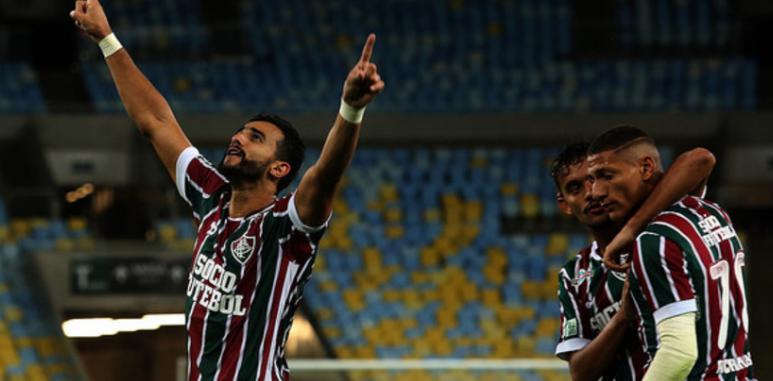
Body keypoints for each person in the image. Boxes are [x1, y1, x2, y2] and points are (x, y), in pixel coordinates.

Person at [69, 0, 385, 379]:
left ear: (279, 168)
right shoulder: (210, 196)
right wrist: (106, 39)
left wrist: (350, 109)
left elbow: (325, 177)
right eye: (240, 131)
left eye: (255, 138)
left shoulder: (286, 227)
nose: (238, 138)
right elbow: (155, 120)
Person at [588, 126, 754, 380]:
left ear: (645, 168)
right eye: (593, 180)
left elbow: (678, 354)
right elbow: (700, 160)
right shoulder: (713, 212)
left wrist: (633, 230)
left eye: (607, 175)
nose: (596, 192)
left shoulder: (655, 240)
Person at [552, 140, 716, 380]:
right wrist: (623, 315)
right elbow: (580, 372)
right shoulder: (574, 275)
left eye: (595, 179)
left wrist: (631, 229)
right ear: (565, 204)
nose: (591, 193)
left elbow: (701, 159)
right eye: (575, 188)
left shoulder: (659, 230)